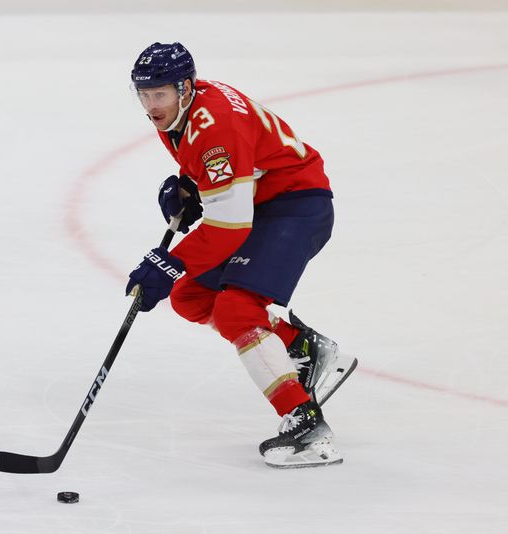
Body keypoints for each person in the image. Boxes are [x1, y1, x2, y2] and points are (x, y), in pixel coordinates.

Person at [126, 42, 357, 468]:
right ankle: (303, 347)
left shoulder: (216, 128)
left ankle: (306, 426)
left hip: (295, 204)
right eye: (143, 94)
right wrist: (188, 186)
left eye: (159, 93)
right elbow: (222, 170)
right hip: (261, 201)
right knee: (191, 296)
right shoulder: (181, 109)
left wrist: (168, 261)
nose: (151, 104)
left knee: (236, 309)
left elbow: (230, 227)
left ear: (185, 86)